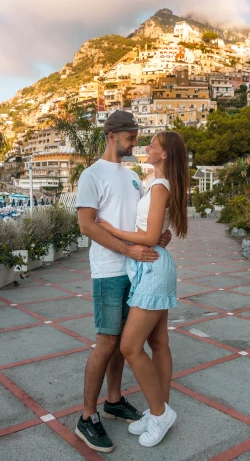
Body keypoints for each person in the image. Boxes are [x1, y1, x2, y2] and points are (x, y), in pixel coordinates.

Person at [75, 110, 171, 453]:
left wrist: (159, 236)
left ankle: (113, 401)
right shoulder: (91, 175)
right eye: (131, 137)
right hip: (109, 271)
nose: (136, 143)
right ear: (112, 136)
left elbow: (142, 220)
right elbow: (87, 225)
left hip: (137, 271)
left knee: (122, 343)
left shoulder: (133, 177)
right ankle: (87, 417)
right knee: (105, 343)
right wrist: (127, 250)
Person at [97, 131, 188, 447]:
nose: (146, 148)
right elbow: (156, 232)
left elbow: (149, 237)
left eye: (152, 145)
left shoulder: (161, 187)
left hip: (152, 267)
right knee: (158, 342)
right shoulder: (157, 185)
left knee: (129, 346)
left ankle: (160, 413)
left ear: (164, 155)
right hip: (152, 266)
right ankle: (159, 409)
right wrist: (155, 234)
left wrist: (108, 229)